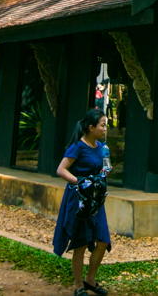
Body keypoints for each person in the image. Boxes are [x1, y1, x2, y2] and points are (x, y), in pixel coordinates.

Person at [54, 109, 112, 296]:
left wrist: (105, 170)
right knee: (80, 243)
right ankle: (79, 286)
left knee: (102, 240)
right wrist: (79, 182)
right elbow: (61, 170)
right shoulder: (78, 147)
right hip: (79, 199)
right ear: (91, 127)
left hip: (95, 200)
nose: (105, 128)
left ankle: (90, 280)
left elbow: (104, 169)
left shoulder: (101, 147)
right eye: (102, 125)